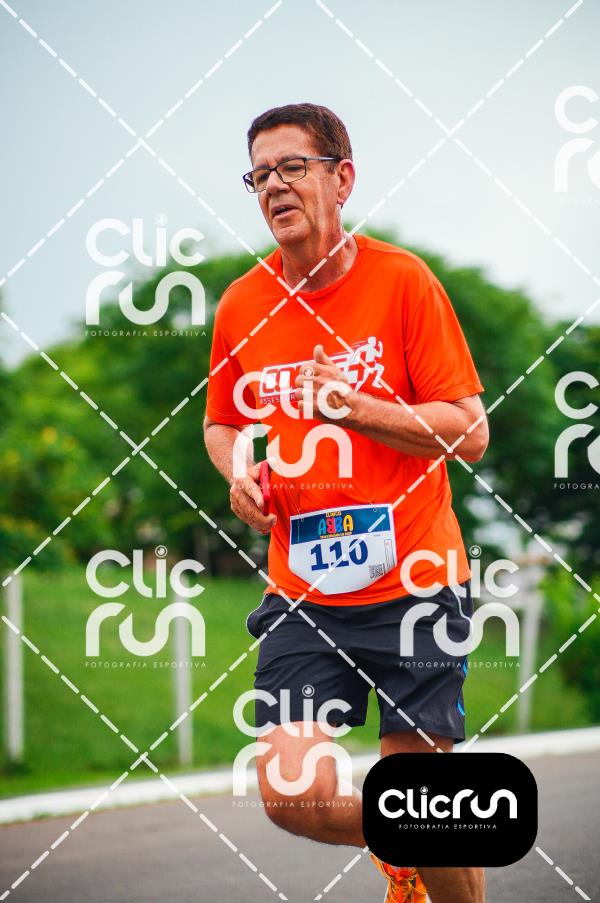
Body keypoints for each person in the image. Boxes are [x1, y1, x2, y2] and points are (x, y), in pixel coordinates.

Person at [204, 103, 488, 903]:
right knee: (291, 794)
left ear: (343, 178)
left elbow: (469, 431)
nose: (274, 186)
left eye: (293, 167)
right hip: (304, 592)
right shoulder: (241, 305)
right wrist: (238, 470)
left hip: (417, 580)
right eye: (260, 174)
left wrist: (357, 408)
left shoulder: (403, 281)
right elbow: (222, 420)